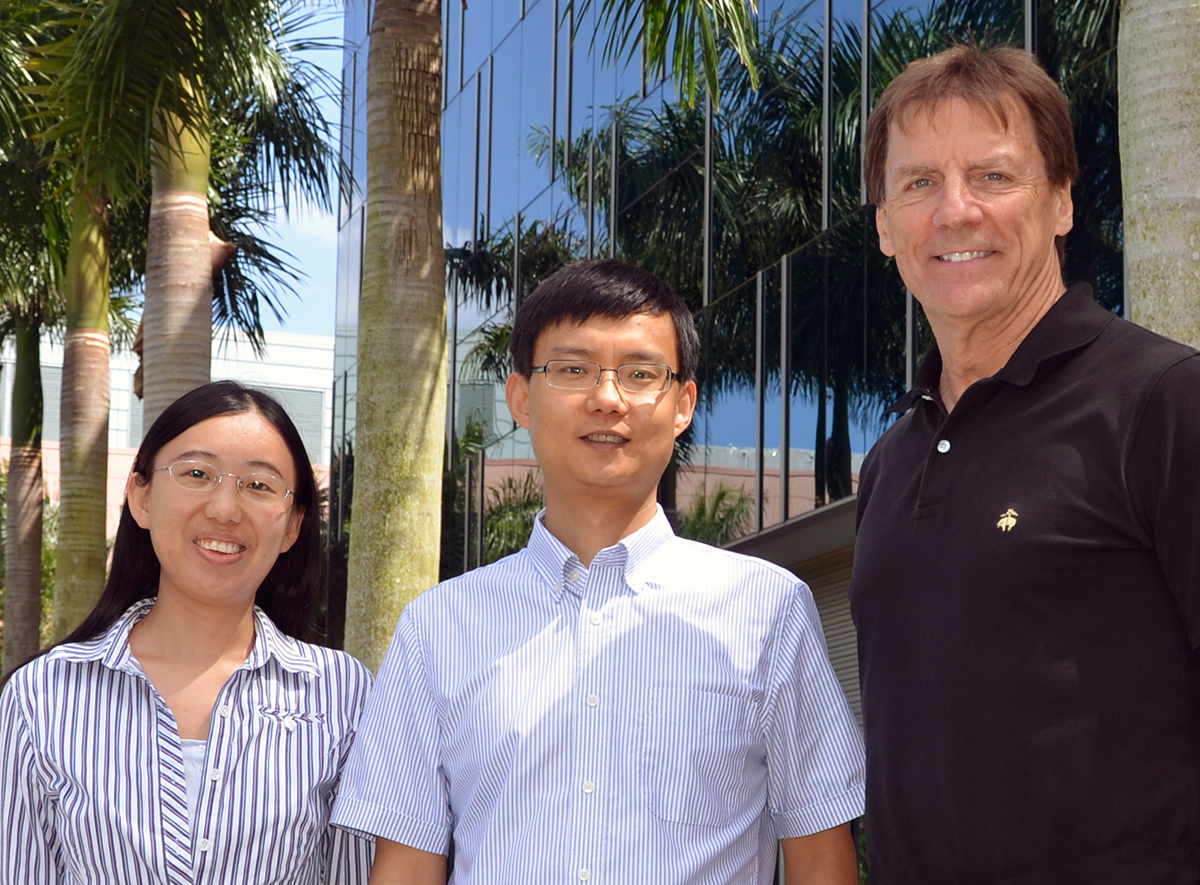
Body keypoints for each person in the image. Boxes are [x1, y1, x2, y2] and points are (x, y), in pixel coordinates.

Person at [331, 258, 865, 884]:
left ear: (683, 404)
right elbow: (406, 867)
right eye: (573, 369)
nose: (607, 398)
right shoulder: (438, 627)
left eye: (641, 374)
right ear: (521, 398)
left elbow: (819, 852)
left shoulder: (767, 610)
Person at [850, 44, 1200, 883]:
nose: (956, 210)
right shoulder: (889, 463)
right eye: (919, 183)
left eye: (994, 177)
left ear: (1061, 203)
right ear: (886, 226)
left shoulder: (1163, 400)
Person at [0, 381, 374, 884]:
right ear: (142, 497)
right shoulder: (42, 696)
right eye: (197, 473)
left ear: (292, 526)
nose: (225, 508)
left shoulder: (342, 695)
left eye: (259, 485)